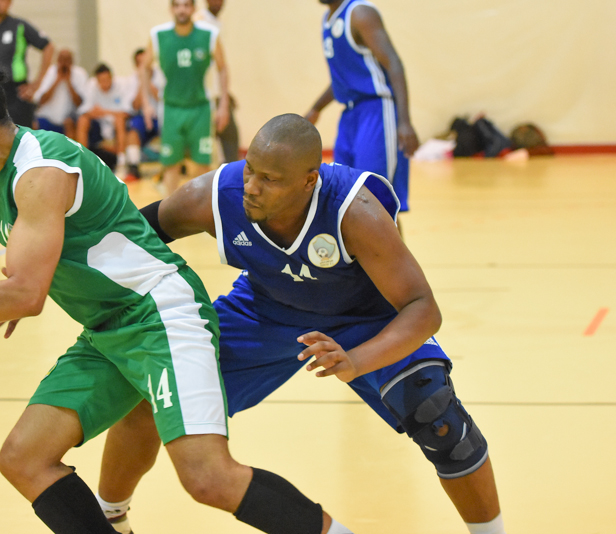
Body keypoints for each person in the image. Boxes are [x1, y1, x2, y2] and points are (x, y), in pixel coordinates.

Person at [0, 64, 353, 534]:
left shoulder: (41, 170)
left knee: (208, 478)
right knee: (24, 457)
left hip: (159, 314)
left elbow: (27, 294)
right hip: (105, 330)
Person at [94, 114, 507, 534]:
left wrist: (357, 359)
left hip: (366, 316)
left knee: (439, 420)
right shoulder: (215, 196)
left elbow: (423, 308)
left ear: (310, 181)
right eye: (250, 170)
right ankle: (110, 518)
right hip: (266, 308)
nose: (251, 186)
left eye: (269, 179)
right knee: (155, 391)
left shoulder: (355, 211)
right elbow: (125, 237)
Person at [306, 0, 418, 220]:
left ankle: (392, 245)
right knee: (345, 197)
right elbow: (342, 79)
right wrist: (316, 109)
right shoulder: (328, 20)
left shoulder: (359, 13)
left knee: (376, 201)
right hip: (349, 115)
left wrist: (405, 121)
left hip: (377, 110)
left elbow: (393, 62)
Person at [141, 0, 230, 195]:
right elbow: (145, 68)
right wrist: (146, 103)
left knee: (203, 163)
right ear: (171, 9)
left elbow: (222, 68)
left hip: (201, 109)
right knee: (171, 163)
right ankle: (170, 209)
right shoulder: (158, 35)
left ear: (193, 9)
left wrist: (223, 104)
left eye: (186, 5)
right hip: (171, 108)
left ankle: (201, 208)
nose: (182, 10)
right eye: (178, 5)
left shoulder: (209, 34)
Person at [0, 0, 54, 127]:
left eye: (1, 0)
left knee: (18, 136)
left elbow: (48, 48)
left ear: (9, 3)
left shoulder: (19, 26)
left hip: (14, 94)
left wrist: (37, 84)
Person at [192, 0, 240, 164]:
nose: (218, 2)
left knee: (229, 135)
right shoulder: (199, 23)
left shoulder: (217, 23)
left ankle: (226, 171)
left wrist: (224, 94)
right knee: (208, 145)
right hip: (203, 96)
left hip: (216, 93)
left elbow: (219, 67)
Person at [75, 63, 131, 175]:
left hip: (116, 125)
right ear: (97, 80)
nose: (104, 83)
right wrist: (96, 113)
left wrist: (104, 112)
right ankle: (83, 161)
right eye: (101, 81)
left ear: (112, 77)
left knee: (119, 120)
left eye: (107, 80)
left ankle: (121, 162)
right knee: (83, 120)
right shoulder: (91, 86)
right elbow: (84, 110)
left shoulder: (122, 85)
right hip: (99, 125)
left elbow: (127, 112)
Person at [122, 48, 164, 182]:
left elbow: (163, 99)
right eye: (140, 63)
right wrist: (142, 83)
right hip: (142, 117)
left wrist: (148, 82)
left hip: (160, 116)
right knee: (132, 131)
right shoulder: (131, 81)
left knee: (171, 127)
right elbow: (134, 106)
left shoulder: (162, 75)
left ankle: (172, 164)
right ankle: (134, 167)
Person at [33, 48, 87, 139]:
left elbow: (80, 103)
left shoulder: (79, 74)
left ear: (72, 62)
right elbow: (41, 101)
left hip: (68, 119)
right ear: (57, 61)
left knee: (71, 123)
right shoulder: (50, 72)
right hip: (47, 117)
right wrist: (57, 81)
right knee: (34, 124)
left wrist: (69, 82)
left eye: (67, 60)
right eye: (62, 60)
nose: (64, 63)